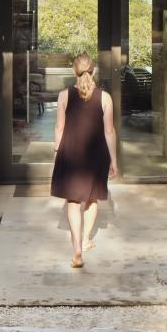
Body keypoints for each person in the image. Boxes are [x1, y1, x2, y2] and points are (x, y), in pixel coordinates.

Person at [50, 52, 118, 268]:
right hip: (96, 154)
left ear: (73, 71)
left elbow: (59, 127)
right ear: (93, 70)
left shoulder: (64, 96)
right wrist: (114, 160)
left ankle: (76, 248)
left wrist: (56, 151)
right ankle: (87, 239)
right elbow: (109, 131)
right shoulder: (105, 97)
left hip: (70, 153)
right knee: (91, 199)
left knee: (72, 202)